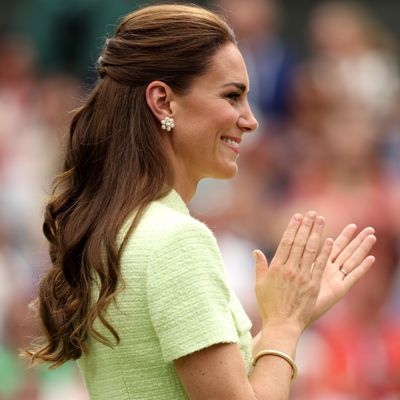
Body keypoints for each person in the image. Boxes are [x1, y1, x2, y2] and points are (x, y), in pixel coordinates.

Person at [25, 4, 376, 400]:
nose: (250, 119)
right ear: (163, 101)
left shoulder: (121, 226)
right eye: (232, 96)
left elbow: (204, 383)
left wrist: (294, 315)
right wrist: (283, 326)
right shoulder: (177, 240)